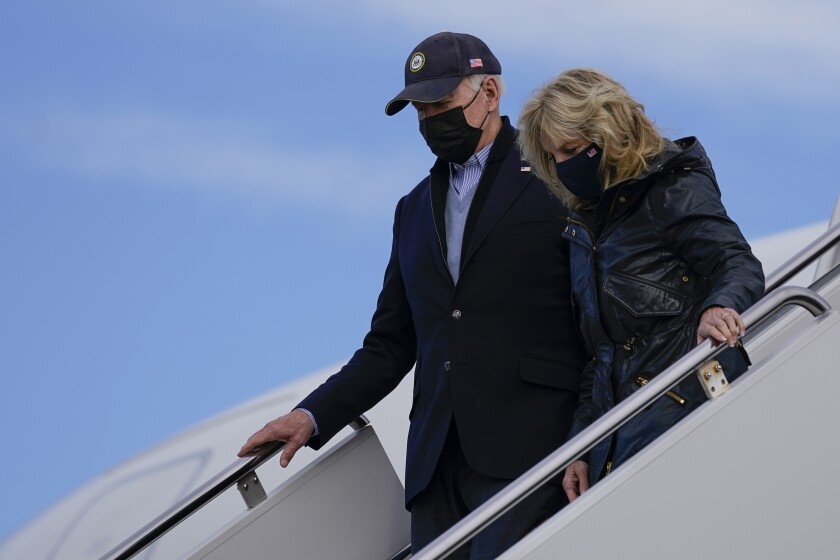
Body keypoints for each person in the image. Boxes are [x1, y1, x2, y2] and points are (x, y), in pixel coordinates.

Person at [238, 32, 587, 558]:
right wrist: (311, 417)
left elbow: (597, 310)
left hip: (535, 450)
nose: (430, 121)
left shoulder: (553, 176)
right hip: (435, 471)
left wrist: (589, 429)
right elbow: (390, 345)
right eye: (420, 111)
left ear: (490, 92)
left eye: (441, 104)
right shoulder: (412, 209)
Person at [517, 68, 765, 502]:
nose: (561, 165)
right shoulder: (585, 230)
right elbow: (602, 355)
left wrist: (719, 307)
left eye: (571, 149)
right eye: (552, 156)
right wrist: (580, 446)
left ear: (606, 131)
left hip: (686, 417)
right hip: (618, 442)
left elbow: (737, 262)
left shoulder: (671, 187)